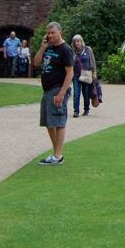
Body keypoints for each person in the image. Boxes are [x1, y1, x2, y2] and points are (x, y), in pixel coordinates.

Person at [32, 21, 74, 165]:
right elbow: (36, 63)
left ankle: (57, 155)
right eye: (48, 33)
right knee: (49, 123)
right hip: (47, 90)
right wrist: (43, 47)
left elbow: (70, 74)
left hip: (58, 88)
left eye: (52, 33)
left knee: (58, 121)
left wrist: (62, 94)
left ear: (60, 32)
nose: (50, 35)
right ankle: (57, 153)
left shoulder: (66, 49)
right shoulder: (48, 47)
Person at [71, 34, 96, 118]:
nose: (77, 43)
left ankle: (86, 109)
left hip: (86, 74)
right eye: (75, 42)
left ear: (81, 41)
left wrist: (94, 73)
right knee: (76, 93)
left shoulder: (88, 49)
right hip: (76, 75)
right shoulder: (72, 52)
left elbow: (92, 62)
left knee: (85, 93)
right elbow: (70, 64)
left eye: (78, 41)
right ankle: (76, 111)